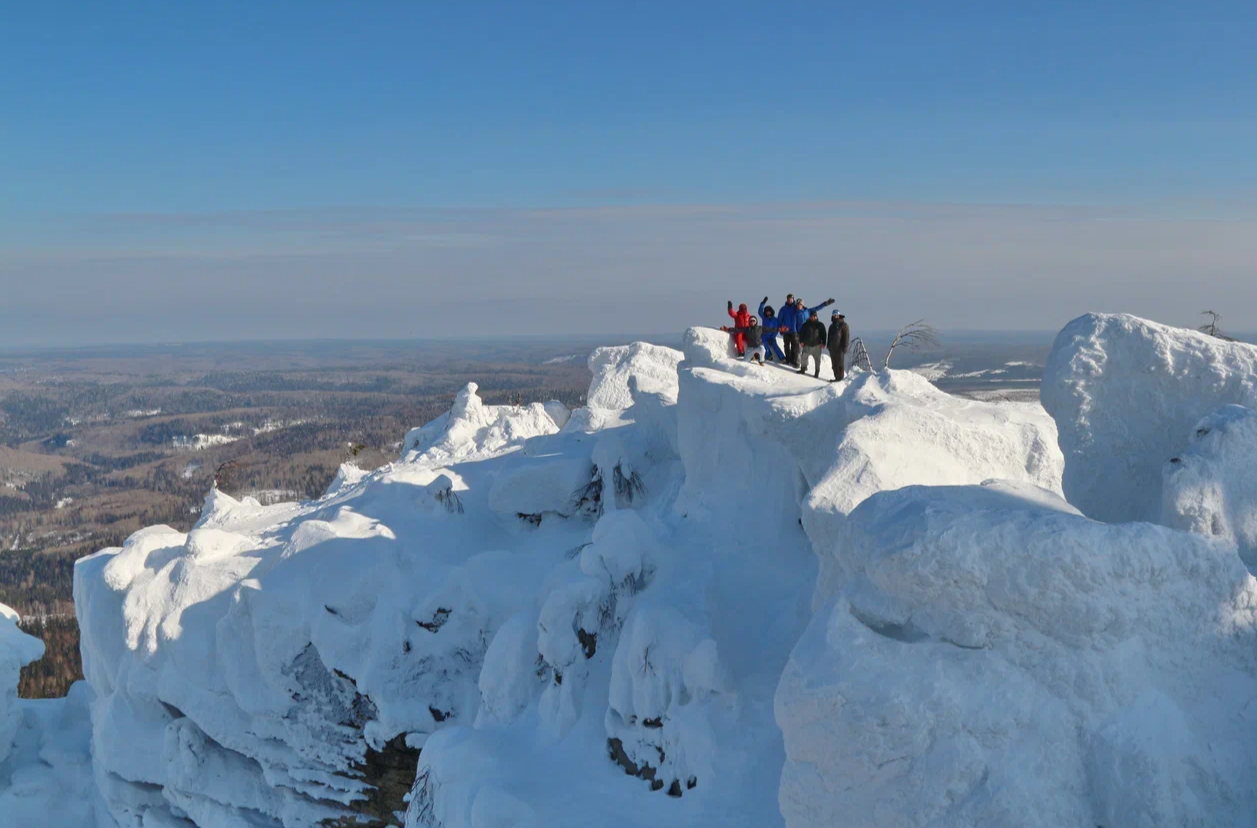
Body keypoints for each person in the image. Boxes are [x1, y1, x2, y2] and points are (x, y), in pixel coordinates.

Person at [797, 309, 828, 377]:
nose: (813, 317)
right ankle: (803, 369)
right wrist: (801, 341)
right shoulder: (805, 324)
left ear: (816, 317)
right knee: (804, 357)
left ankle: (817, 372)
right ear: (810, 317)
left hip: (817, 345)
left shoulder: (820, 325)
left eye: (814, 316)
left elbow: (824, 334)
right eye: (811, 316)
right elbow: (801, 333)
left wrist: (823, 343)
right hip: (807, 344)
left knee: (817, 360)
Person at [758, 297, 787, 363]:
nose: (768, 313)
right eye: (766, 312)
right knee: (765, 344)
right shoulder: (764, 318)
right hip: (764, 336)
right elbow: (760, 311)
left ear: (771, 312)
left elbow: (777, 329)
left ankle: (782, 358)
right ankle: (768, 355)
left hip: (772, 336)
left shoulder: (775, 320)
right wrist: (762, 304)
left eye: (769, 312)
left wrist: (773, 337)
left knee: (775, 346)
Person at [827, 309, 850, 382]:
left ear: (839, 315)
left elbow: (846, 336)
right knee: (834, 364)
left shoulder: (844, 325)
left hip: (840, 348)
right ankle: (836, 377)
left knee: (840, 363)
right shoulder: (831, 326)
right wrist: (828, 345)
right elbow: (829, 336)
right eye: (834, 315)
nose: (835, 317)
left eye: (837, 315)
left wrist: (845, 346)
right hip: (832, 347)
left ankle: (840, 378)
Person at [778, 294, 798, 366]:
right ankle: (788, 359)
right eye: (788, 299)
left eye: (791, 299)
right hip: (786, 330)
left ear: (793, 299)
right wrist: (780, 328)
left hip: (794, 331)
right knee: (786, 346)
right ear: (787, 300)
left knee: (794, 346)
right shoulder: (783, 309)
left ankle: (793, 360)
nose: (790, 300)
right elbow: (779, 319)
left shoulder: (796, 307)